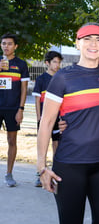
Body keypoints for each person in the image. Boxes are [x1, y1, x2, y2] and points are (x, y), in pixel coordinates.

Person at [37, 23, 99, 224]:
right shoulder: (62, 77)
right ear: (77, 43)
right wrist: (41, 167)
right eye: (87, 39)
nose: (93, 44)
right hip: (70, 164)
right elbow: (46, 123)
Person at [0, 33, 29, 187]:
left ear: (15, 46)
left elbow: (24, 89)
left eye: (9, 44)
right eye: (3, 43)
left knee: (12, 140)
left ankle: (9, 174)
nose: (6, 46)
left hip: (12, 108)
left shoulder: (21, 64)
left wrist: (21, 109)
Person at [32, 51, 63, 157]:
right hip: (44, 118)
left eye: (58, 62)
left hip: (58, 118)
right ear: (47, 63)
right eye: (54, 62)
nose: (57, 65)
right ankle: (41, 168)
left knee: (57, 143)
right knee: (43, 143)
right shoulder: (41, 79)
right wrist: (38, 118)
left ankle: (56, 167)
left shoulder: (61, 78)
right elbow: (37, 99)